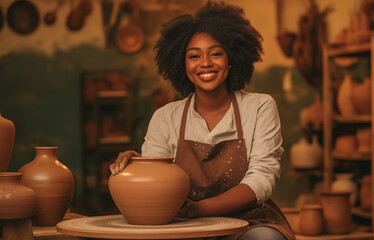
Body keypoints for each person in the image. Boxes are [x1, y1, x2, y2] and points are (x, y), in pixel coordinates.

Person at [110, 1, 295, 239]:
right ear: (181, 64)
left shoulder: (259, 107)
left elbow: (263, 179)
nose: (205, 63)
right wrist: (138, 165)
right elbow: (155, 180)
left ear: (232, 58)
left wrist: (200, 209)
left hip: (248, 222)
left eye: (216, 53)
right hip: (183, 225)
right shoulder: (166, 117)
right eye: (194, 56)